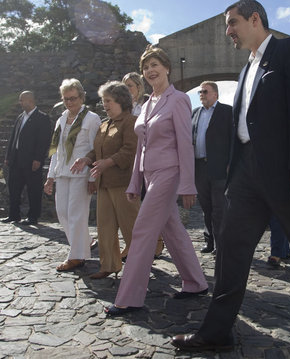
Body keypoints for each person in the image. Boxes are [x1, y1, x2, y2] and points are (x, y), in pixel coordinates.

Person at [171, 0, 290, 357]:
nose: (228, 32)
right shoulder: (246, 69)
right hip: (245, 175)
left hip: (287, 170)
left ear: (255, 18)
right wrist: (233, 173)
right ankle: (217, 332)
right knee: (230, 249)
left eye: (233, 23)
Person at [104, 46, 208, 316]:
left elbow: (186, 143)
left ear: (167, 67)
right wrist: (133, 182)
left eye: (155, 65)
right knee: (172, 229)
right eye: (146, 67)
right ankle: (195, 282)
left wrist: (188, 183)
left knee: (142, 230)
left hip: (170, 172)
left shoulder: (179, 99)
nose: (150, 70)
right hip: (149, 175)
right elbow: (141, 146)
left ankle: (129, 298)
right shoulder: (148, 103)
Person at [71, 81, 139, 279]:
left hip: (124, 184)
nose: (105, 105)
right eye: (103, 101)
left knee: (131, 227)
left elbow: (129, 151)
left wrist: (107, 162)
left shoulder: (131, 122)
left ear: (121, 100)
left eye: (108, 101)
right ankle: (109, 265)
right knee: (105, 228)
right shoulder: (104, 125)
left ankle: (138, 266)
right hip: (104, 185)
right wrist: (87, 159)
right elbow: (96, 150)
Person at [44, 79, 101, 271]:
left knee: (76, 215)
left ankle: (77, 256)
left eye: (73, 98)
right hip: (62, 172)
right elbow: (57, 150)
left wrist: (93, 177)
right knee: (62, 212)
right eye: (66, 99)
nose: (70, 103)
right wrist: (50, 176)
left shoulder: (91, 118)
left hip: (81, 173)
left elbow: (96, 149)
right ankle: (85, 242)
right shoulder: (61, 119)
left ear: (82, 97)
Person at [122, 71, 164, 259]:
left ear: (139, 87)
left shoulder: (148, 105)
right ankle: (132, 244)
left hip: (146, 163)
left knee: (148, 206)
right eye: (124, 86)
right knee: (129, 208)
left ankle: (157, 241)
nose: (126, 89)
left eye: (129, 85)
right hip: (126, 163)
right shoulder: (122, 109)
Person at [192, 81, 232, 254]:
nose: (201, 94)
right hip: (199, 167)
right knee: (206, 207)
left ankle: (222, 243)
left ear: (215, 94)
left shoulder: (227, 111)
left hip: (219, 167)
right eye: (200, 92)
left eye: (205, 91)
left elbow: (233, 140)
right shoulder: (194, 113)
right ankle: (209, 242)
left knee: (219, 208)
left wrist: (231, 163)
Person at [2, 91, 51, 225]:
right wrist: (8, 156)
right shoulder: (19, 117)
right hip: (16, 159)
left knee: (33, 189)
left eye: (21, 100)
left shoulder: (42, 118)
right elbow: (13, 138)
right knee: (14, 188)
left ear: (30, 100)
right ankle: (13, 215)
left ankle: (33, 216)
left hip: (31, 160)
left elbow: (43, 141)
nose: (20, 103)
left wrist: (38, 158)